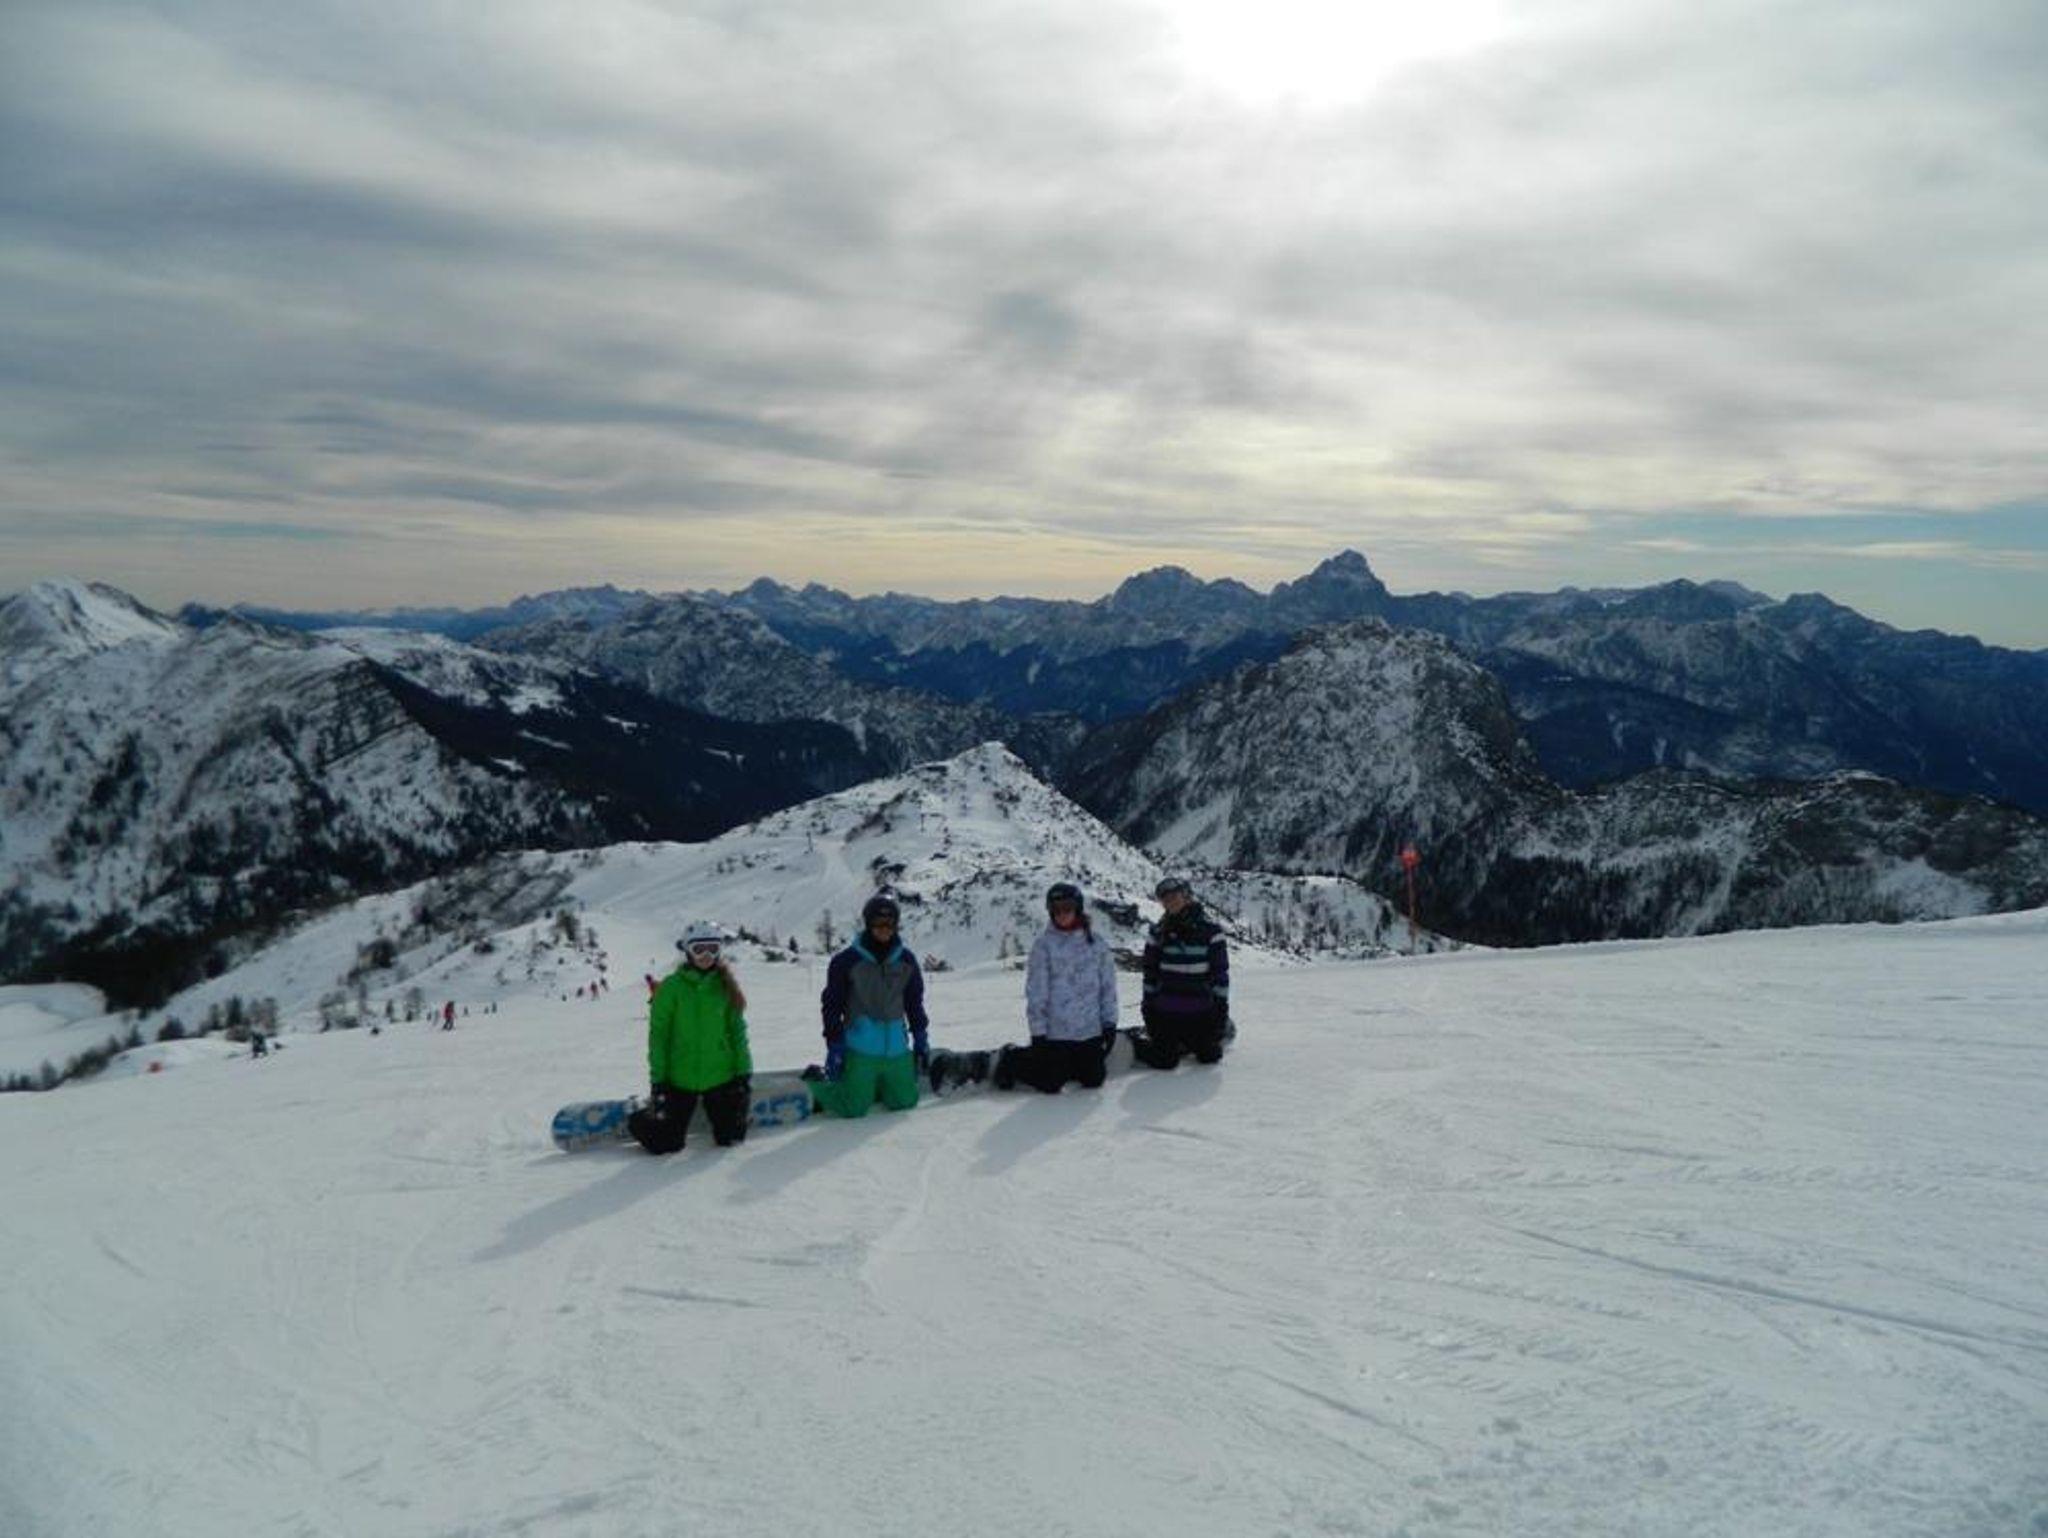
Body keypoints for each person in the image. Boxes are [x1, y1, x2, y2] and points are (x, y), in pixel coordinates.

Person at [627, 921, 753, 1154]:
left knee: (731, 1139)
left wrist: (743, 1075)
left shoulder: (725, 987)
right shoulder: (671, 988)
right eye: (699, 949)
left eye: (713, 949)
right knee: (666, 1145)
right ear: (687, 951)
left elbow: (738, 1033)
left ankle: (730, 1114)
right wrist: (659, 1081)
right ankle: (637, 1112)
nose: (706, 955)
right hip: (679, 1080)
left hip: (721, 1077)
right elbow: (659, 1037)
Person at [995, 882, 1120, 1093]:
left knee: (1094, 1079)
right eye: (1056, 909)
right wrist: (1038, 1033)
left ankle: (1068, 1063)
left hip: (1089, 1029)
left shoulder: (1096, 943)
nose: (1062, 914)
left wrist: (1109, 1023)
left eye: (1067, 908)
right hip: (1056, 1031)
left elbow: (1108, 987)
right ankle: (1011, 1058)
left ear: (1078, 908)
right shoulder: (1044, 946)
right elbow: (1037, 993)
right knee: (1051, 1083)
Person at [811, 894, 927, 1118]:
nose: (884, 929)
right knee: (852, 1108)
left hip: (896, 1048)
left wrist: (920, 1035)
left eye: (889, 923)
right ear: (868, 923)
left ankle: (878, 1084)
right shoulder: (846, 961)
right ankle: (815, 1082)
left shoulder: (906, 960)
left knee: (905, 1101)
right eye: (878, 923)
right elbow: (832, 1006)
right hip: (860, 1049)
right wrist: (835, 1043)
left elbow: (914, 1002)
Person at [1134, 875, 1230, 1068]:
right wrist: (1148, 1006)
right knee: (1166, 1061)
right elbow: (1150, 973)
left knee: (1210, 1056)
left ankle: (1197, 1036)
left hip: (1200, 1010)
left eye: (1174, 896)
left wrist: (1220, 1008)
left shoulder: (1211, 932)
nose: (1170, 902)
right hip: (1165, 1011)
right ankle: (1136, 1040)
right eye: (1165, 898)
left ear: (1186, 896)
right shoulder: (1158, 933)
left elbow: (1220, 973)